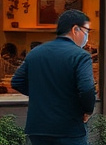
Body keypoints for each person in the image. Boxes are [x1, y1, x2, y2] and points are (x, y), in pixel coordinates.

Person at [11, 9, 97, 145]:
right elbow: (87, 88)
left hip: (38, 128)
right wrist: (88, 110)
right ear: (75, 29)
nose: (87, 37)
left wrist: (42, 94)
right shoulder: (80, 56)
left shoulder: (36, 52)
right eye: (86, 32)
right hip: (69, 128)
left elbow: (17, 81)